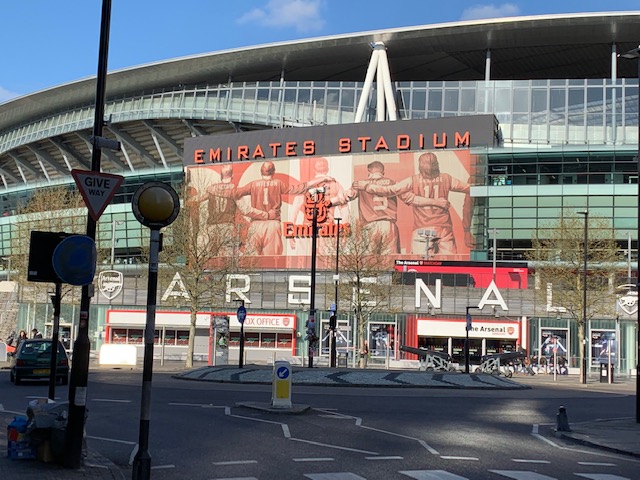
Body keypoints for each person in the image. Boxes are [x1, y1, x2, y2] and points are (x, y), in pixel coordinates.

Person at [352, 152, 473, 257]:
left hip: (421, 228)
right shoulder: (447, 178)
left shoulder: (413, 180)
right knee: (450, 262)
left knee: (419, 264)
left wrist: (367, 186)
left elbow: (390, 190)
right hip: (444, 227)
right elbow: (470, 189)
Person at [234, 161, 316, 256]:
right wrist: (318, 181)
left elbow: (235, 193)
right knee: (271, 260)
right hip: (272, 224)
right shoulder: (278, 183)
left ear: (261, 172)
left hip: (255, 224)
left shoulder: (253, 184)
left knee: (252, 262)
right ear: (274, 172)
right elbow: (299, 188)